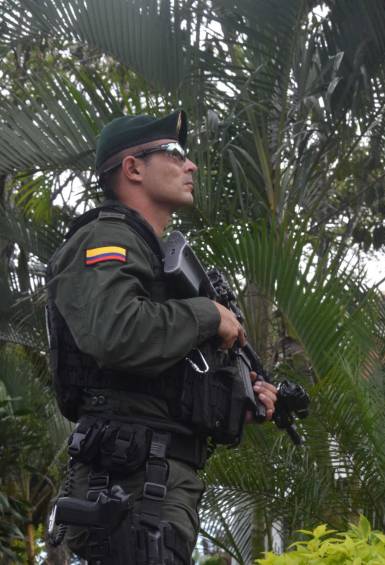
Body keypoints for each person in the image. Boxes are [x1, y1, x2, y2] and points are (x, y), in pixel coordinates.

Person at [46, 110, 277, 564]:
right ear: (133, 168)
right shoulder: (105, 238)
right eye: (174, 153)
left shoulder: (148, 254)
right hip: (128, 480)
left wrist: (241, 399)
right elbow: (116, 333)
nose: (191, 165)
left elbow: (160, 379)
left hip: (152, 477)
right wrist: (207, 315)